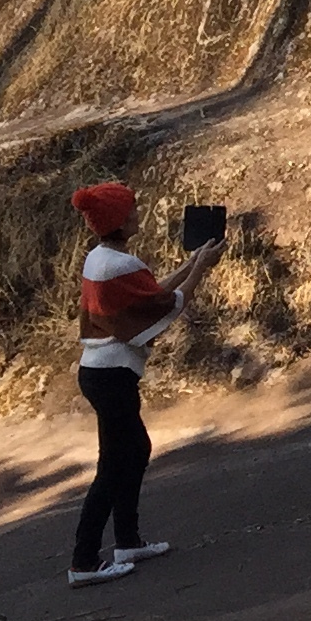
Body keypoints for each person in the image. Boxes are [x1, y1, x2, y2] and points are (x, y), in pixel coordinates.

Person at [67, 180, 218, 587]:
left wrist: (190, 263)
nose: (137, 214)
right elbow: (168, 305)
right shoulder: (118, 265)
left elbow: (148, 296)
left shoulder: (101, 259)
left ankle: (127, 541)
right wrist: (200, 269)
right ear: (119, 220)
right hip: (110, 374)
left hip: (100, 372)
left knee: (133, 452)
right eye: (131, 210)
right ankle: (83, 561)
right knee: (115, 463)